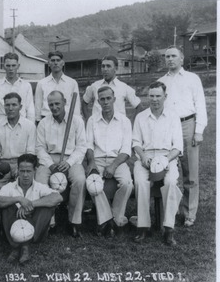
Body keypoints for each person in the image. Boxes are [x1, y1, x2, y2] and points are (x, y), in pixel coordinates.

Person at [158, 46, 207, 227]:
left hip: (188, 124)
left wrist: (199, 130)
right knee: (167, 170)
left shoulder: (192, 79)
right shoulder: (161, 81)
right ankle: (169, 210)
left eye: (173, 56)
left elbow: (200, 105)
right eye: (167, 56)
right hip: (168, 127)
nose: (170, 59)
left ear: (182, 59)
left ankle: (189, 213)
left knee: (190, 172)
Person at [132, 81, 183, 246]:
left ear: (165, 97)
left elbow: (178, 147)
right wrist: (144, 156)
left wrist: (165, 160)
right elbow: (136, 143)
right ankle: (143, 227)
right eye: (151, 96)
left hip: (167, 156)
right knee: (140, 181)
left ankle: (168, 228)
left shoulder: (173, 116)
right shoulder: (141, 117)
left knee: (171, 182)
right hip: (145, 157)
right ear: (148, 97)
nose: (154, 99)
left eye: (158, 96)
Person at [0, 154, 63, 264]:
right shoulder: (10, 186)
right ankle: (17, 246)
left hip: (36, 231)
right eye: (22, 171)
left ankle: (23, 246)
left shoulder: (39, 187)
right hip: (13, 228)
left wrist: (31, 204)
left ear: (34, 170)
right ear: (18, 170)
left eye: (28, 171)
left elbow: (58, 197)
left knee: (47, 205)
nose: (25, 175)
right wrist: (19, 199)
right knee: (7, 204)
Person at [35, 90, 87, 237]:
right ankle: (49, 221)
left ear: (65, 102)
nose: (54, 107)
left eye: (57, 103)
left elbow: (81, 146)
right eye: (51, 104)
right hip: (49, 158)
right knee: (40, 180)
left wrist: (69, 163)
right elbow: (39, 148)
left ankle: (74, 221)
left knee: (79, 180)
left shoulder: (77, 121)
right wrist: (50, 164)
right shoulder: (44, 123)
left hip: (72, 158)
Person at [86, 86, 133, 237]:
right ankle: (107, 220)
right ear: (98, 101)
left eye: (108, 98)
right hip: (97, 160)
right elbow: (88, 145)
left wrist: (113, 166)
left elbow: (126, 150)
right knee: (93, 183)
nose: (105, 102)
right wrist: (91, 162)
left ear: (114, 99)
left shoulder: (124, 121)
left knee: (127, 183)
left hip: (117, 161)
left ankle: (115, 217)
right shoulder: (92, 120)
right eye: (102, 99)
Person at [0, 92, 36, 228]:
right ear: (3, 107)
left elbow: (31, 152)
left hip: (23, 165)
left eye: (14, 104)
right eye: (7, 105)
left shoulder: (29, 126)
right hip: (4, 165)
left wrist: (20, 169)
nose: (10, 108)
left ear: (20, 106)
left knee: (25, 183)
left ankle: (25, 219)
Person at [82, 55, 141, 121]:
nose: (105, 69)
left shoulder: (123, 87)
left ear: (116, 68)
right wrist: (87, 119)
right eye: (103, 66)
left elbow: (138, 106)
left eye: (108, 66)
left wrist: (131, 123)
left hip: (117, 127)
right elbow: (84, 102)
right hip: (98, 126)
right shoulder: (95, 86)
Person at [34, 51, 81, 123]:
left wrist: (77, 121)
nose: (55, 63)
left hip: (67, 120)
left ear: (63, 63)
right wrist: (38, 121)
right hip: (46, 120)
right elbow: (38, 105)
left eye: (58, 60)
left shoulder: (72, 82)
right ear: (49, 63)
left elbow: (76, 106)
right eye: (53, 60)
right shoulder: (42, 83)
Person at [0, 52, 35, 123]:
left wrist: (31, 127)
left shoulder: (26, 85)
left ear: (18, 66)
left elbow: (30, 109)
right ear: (4, 66)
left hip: (22, 125)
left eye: (13, 65)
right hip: (2, 125)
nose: (11, 68)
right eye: (8, 65)